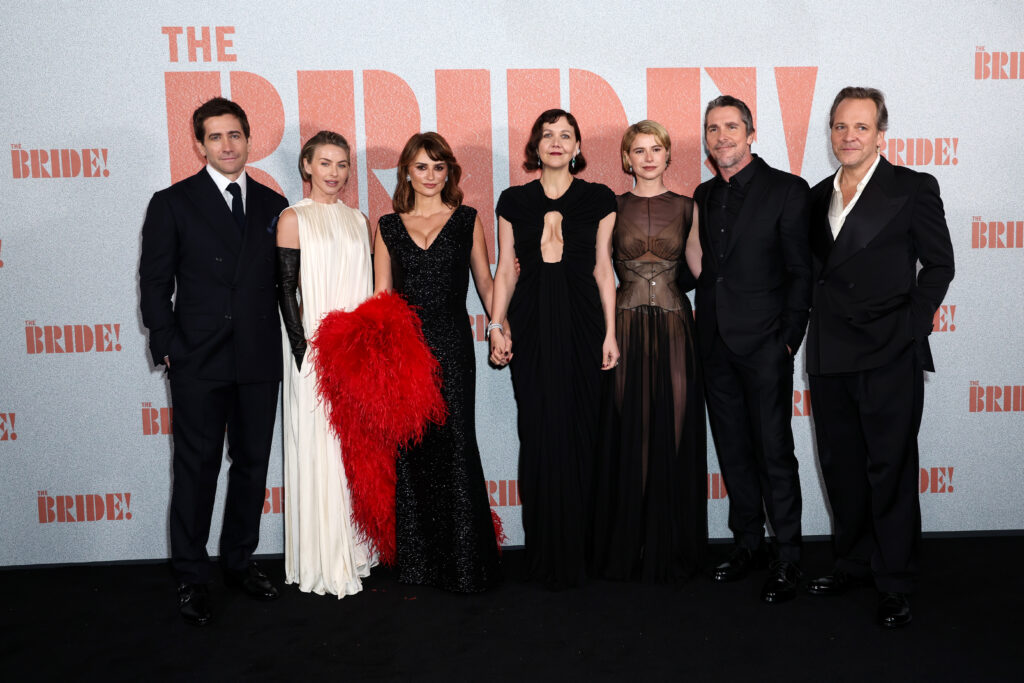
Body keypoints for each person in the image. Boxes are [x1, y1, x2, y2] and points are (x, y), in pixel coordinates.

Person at [805, 87, 954, 628]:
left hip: (888, 350)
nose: (849, 136)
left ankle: (894, 579)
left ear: (880, 135)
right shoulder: (815, 196)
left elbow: (939, 264)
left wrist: (911, 326)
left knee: (889, 468)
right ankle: (852, 562)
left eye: (861, 127)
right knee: (841, 467)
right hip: (829, 352)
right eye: (840, 126)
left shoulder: (912, 187)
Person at [139, 97, 289, 626]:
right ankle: (191, 574)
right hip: (198, 359)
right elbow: (155, 282)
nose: (227, 146)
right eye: (216, 137)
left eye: (235, 135)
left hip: (258, 358)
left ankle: (239, 561)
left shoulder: (274, 205)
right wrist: (168, 345)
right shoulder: (172, 202)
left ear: (249, 140)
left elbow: (286, 284)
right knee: (196, 468)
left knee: (252, 466)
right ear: (199, 145)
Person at [489, 109, 619, 588]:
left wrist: (610, 333)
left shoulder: (600, 198)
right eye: (548, 135)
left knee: (584, 430)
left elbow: (603, 269)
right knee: (539, 433)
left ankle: (584, 552)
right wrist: (495, 325)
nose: (557, 142)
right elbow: (506, 270)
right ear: (536, 146)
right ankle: (545, 551)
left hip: (584, 324)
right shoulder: (513, 201)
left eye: (566, 135)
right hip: (531, 325)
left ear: (578, 146)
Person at [691, 95, 812, 603]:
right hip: (714, 342)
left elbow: (801, 271)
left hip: (765, 344)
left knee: (773, 451)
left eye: (731, 127)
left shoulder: (787, 189)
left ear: (751, 133)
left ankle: (788, 555)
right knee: (733, 450)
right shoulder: (702, 194)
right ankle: (747, 543)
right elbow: (703, 269)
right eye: (712, 129)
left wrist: (787, 340)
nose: (722, 137)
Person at [373, 132, 501, 592]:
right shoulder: (388, 226)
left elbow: (486, 284)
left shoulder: (467, 219)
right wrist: (384, 358)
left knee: (457, 444)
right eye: (421, 166)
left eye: (439, 167)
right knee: (412, 450)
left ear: (449, 172)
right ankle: (420, 564)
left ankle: (466, 564)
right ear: (407, 172)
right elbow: (382, 296)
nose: (430, 175)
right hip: (405, 351)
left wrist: (498, 326)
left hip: (452, 346)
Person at [591, 120, 707, 582]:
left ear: (667, 154)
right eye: (639, 150)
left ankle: (672, 545)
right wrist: (607, 333)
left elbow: (700, 266)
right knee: (631, 431)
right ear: (627, 158)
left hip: (677, 327)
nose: (648, 158)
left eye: (656, 148)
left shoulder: (688, 206)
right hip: (625, 325)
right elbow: (601, 271)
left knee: (675, 431)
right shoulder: (612, 207)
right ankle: (631, 544)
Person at [276, 131, 375, 597]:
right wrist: (304, 355)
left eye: (342, 164)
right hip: (313, 353)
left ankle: (354, 548)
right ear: (307, 166)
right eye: (325, 163)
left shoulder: (359, 220)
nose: (334, 173)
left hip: (357, 353)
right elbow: (285, 292)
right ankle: (322, 558)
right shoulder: (292, 218)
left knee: (355, 449)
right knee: (320, 447)